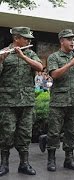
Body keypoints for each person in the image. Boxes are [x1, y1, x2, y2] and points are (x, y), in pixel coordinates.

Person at [0, 27, 43, 176]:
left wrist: (23, 56)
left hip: (26, 101)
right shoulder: (4, 52)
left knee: (25, 134)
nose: (28, 40)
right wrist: (0, 61)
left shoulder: (30, 53)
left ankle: (24, 164)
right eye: (25, 38)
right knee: (6, 133)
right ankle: (3, 164)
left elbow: (40, 67)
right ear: (16, 38)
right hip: (7, 102)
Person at [46, 29, 74, 172]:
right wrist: (70, 63)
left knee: (71, 131)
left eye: (73, 39)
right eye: (69, 39)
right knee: (54, 132)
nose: (72, 42)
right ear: (62, 41)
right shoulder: (54, 57)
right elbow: (54, 74)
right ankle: (51, 159)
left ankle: (69, 159)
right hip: (58, 101)